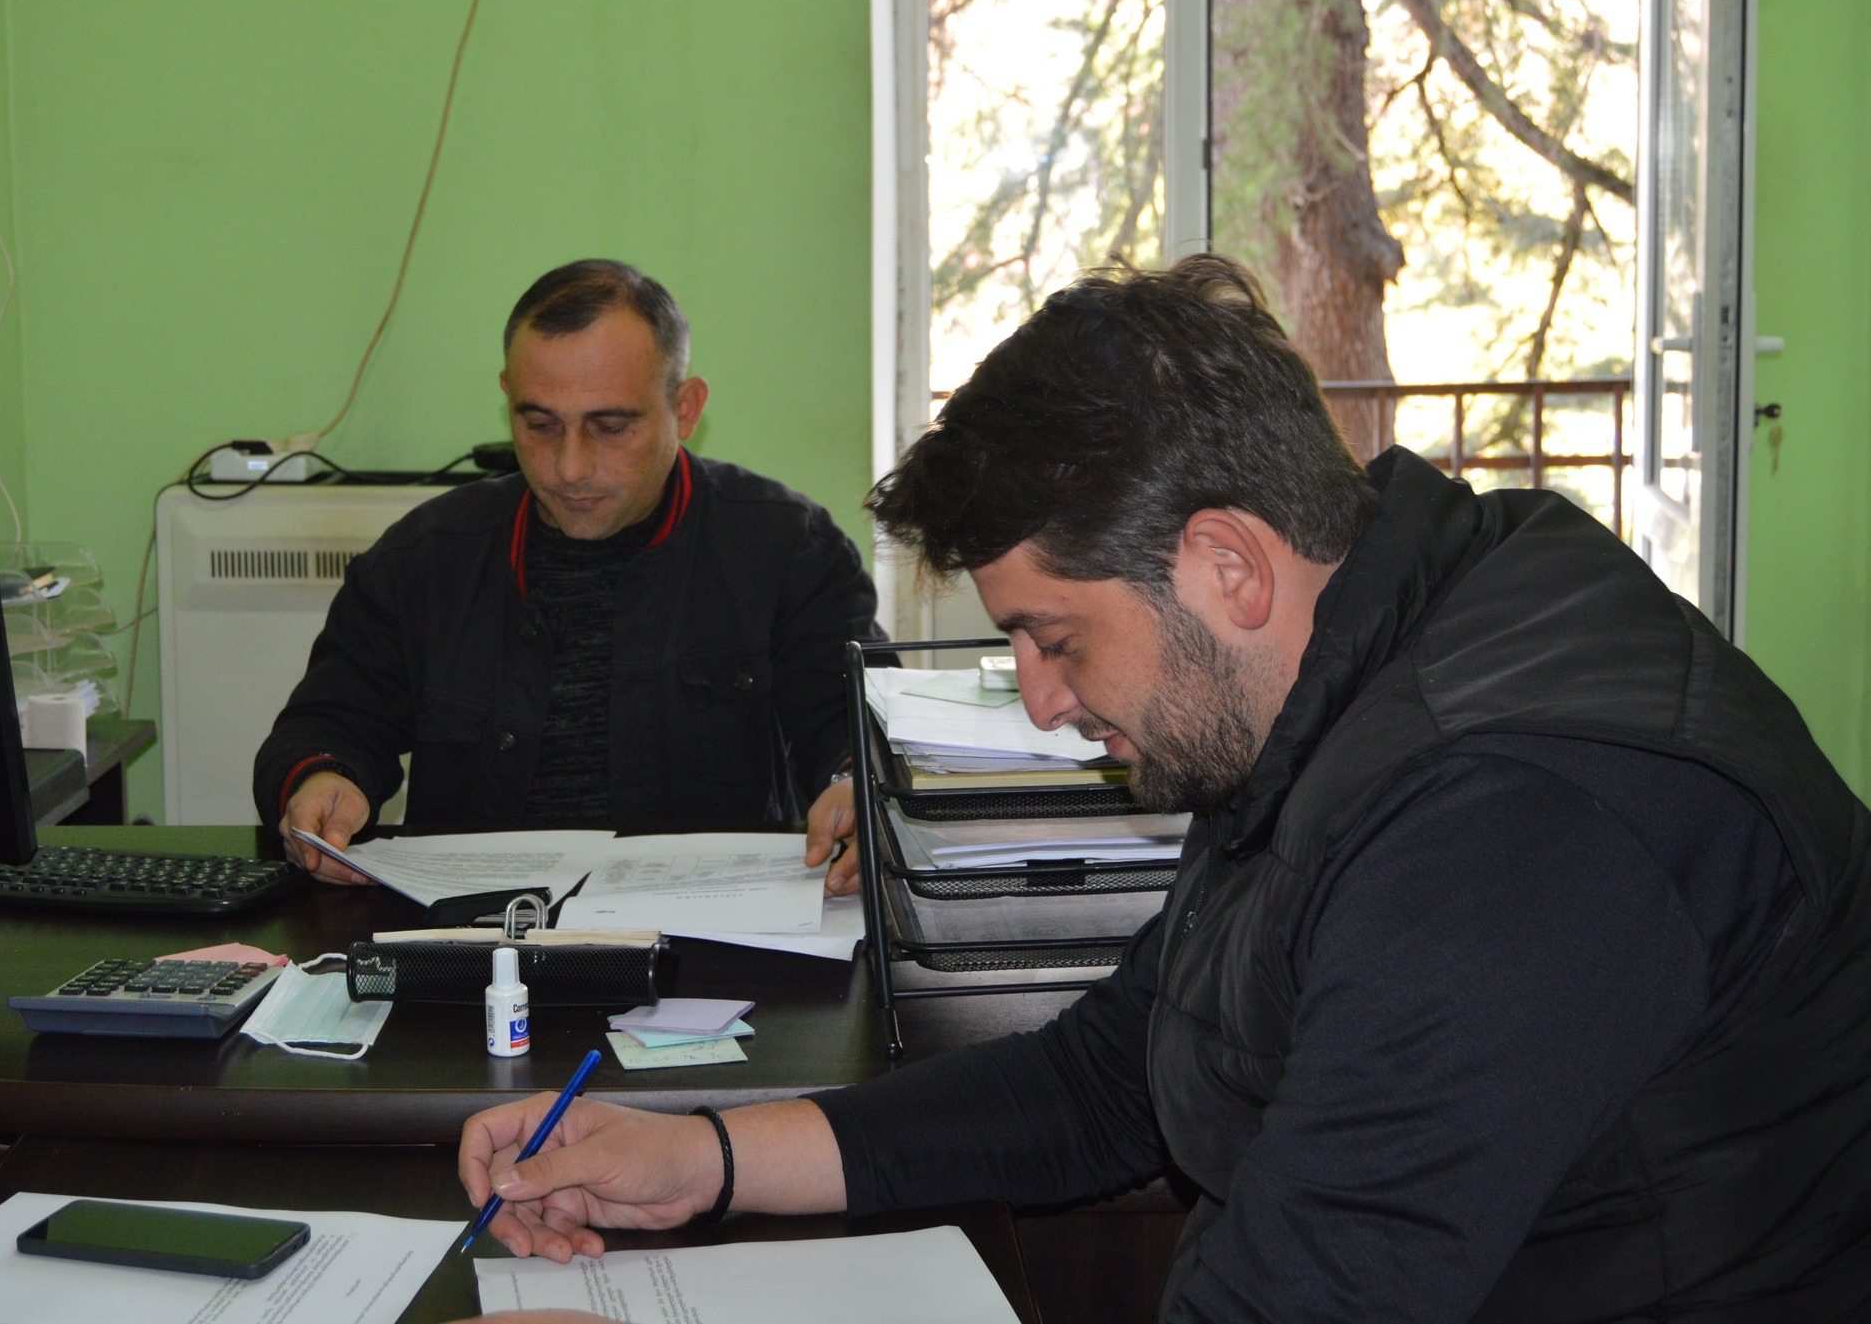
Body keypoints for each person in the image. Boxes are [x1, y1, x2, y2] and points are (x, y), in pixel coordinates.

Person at [447, 256, 1871, 1322]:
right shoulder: (1344, 665)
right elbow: (1111, 1073)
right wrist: (702, 1159)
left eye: (1053, 639)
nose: (1041, 700)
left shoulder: (1512, 824)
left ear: (1227, 564)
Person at [255, 260, 879, 887]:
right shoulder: (424, 559)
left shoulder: (786, 549)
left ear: (685, 409)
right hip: (477, 926)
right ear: (508, 399)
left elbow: (854, 722)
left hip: (708, 924)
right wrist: (322, 779)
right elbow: (328, 722)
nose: (570, 467)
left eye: (610, 427)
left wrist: (855, 785)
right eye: (540, 425)